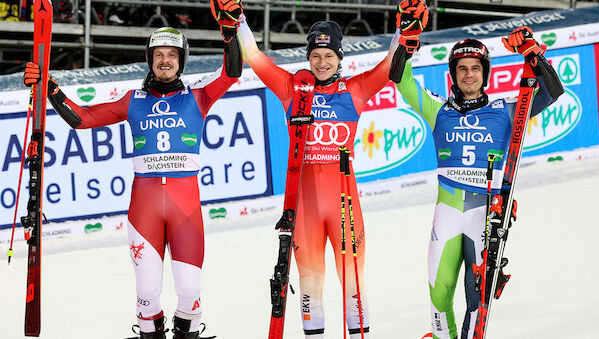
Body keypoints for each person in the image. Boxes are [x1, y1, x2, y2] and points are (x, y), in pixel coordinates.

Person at [23, 6, 243, 337]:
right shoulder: (133, 99)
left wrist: (230, 32)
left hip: (185, 210)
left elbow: (232, 71)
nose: (165, 60)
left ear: (182, 60)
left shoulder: (198, 94)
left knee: (189, 289)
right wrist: (50, 87)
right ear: (149, 59)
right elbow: (82, 118)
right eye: (158, 54)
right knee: (148, 293)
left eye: (172, 54)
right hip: (145, 210)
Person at [233, 0, 407, 337]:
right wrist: (238, 19)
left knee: (353, 281)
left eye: (328, 56)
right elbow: (255, 57)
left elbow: (389, 63)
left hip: (344, 204)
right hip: (304, 208)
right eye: (315, 56)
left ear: (339, 58)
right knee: (310, 286)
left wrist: (404, 27)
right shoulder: (291, 90)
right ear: (308, 58)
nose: (322, 62)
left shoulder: (354, 91)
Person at [392, 12, 564, 339]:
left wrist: (534, 55)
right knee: (438, 293)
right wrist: (407, 41)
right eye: (462, 68)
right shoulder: (437, 110)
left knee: (477, 297)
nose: (468, 74)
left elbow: (553, 91)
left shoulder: (506, 110)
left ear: (484, 74)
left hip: (483, 213)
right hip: (446, 212)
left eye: (475, 68)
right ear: (453, 75)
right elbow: (401, 79)